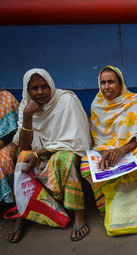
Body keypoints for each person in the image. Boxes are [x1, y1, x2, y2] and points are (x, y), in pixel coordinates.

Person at [6, 68, 92, 243]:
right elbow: (24, 146)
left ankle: (78, 213)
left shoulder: (66, 100)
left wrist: (39, 154)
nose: (40, 92)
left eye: (44, 86)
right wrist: (28, 115)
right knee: (22, 157)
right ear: (27, 90)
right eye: (34, 88)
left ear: (51, 85)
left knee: (65, 159)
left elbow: (76, 142)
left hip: (66, 150)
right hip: (38, 152)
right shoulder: (26, 105)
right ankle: (23, 213)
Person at [80, 66, 137, 220]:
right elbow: (99, 138)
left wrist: (121, 150)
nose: (106, 87)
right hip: (107, 150)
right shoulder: (97, 104)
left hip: (131, 149)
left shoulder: (133, 102)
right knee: (86, 166)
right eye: (103, 82)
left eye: (111, 82)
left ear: (120, 84)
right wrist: (105, 154)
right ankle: (105, 204)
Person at [0, 89, 19, 206]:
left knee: (3, 159)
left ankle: (10, 201)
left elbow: (12, 130)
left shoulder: (6, 98)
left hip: (9, 140)